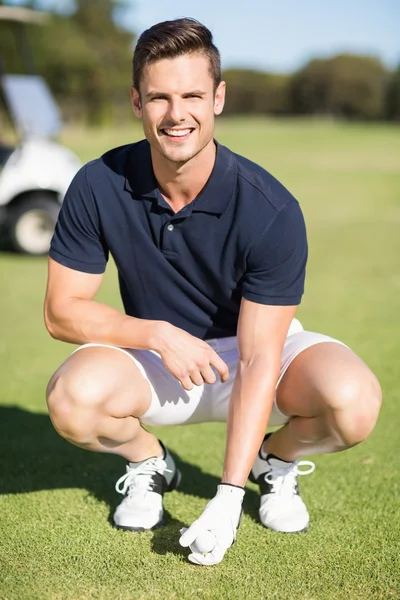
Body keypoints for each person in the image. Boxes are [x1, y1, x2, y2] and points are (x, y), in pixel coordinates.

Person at [44, 18, 382, 566]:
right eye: (159, 97)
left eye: (193, 95)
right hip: (157, 358)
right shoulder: (97, 182)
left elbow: (257, 355)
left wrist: (227, 498)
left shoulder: (271, 209)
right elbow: (61, 313)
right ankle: (150, 462)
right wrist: (156, 333)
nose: (177, 115)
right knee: (72, 399)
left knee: (353, 401)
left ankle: (271, 463)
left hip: (254, 355)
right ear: (136, 101)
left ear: (218, 98)